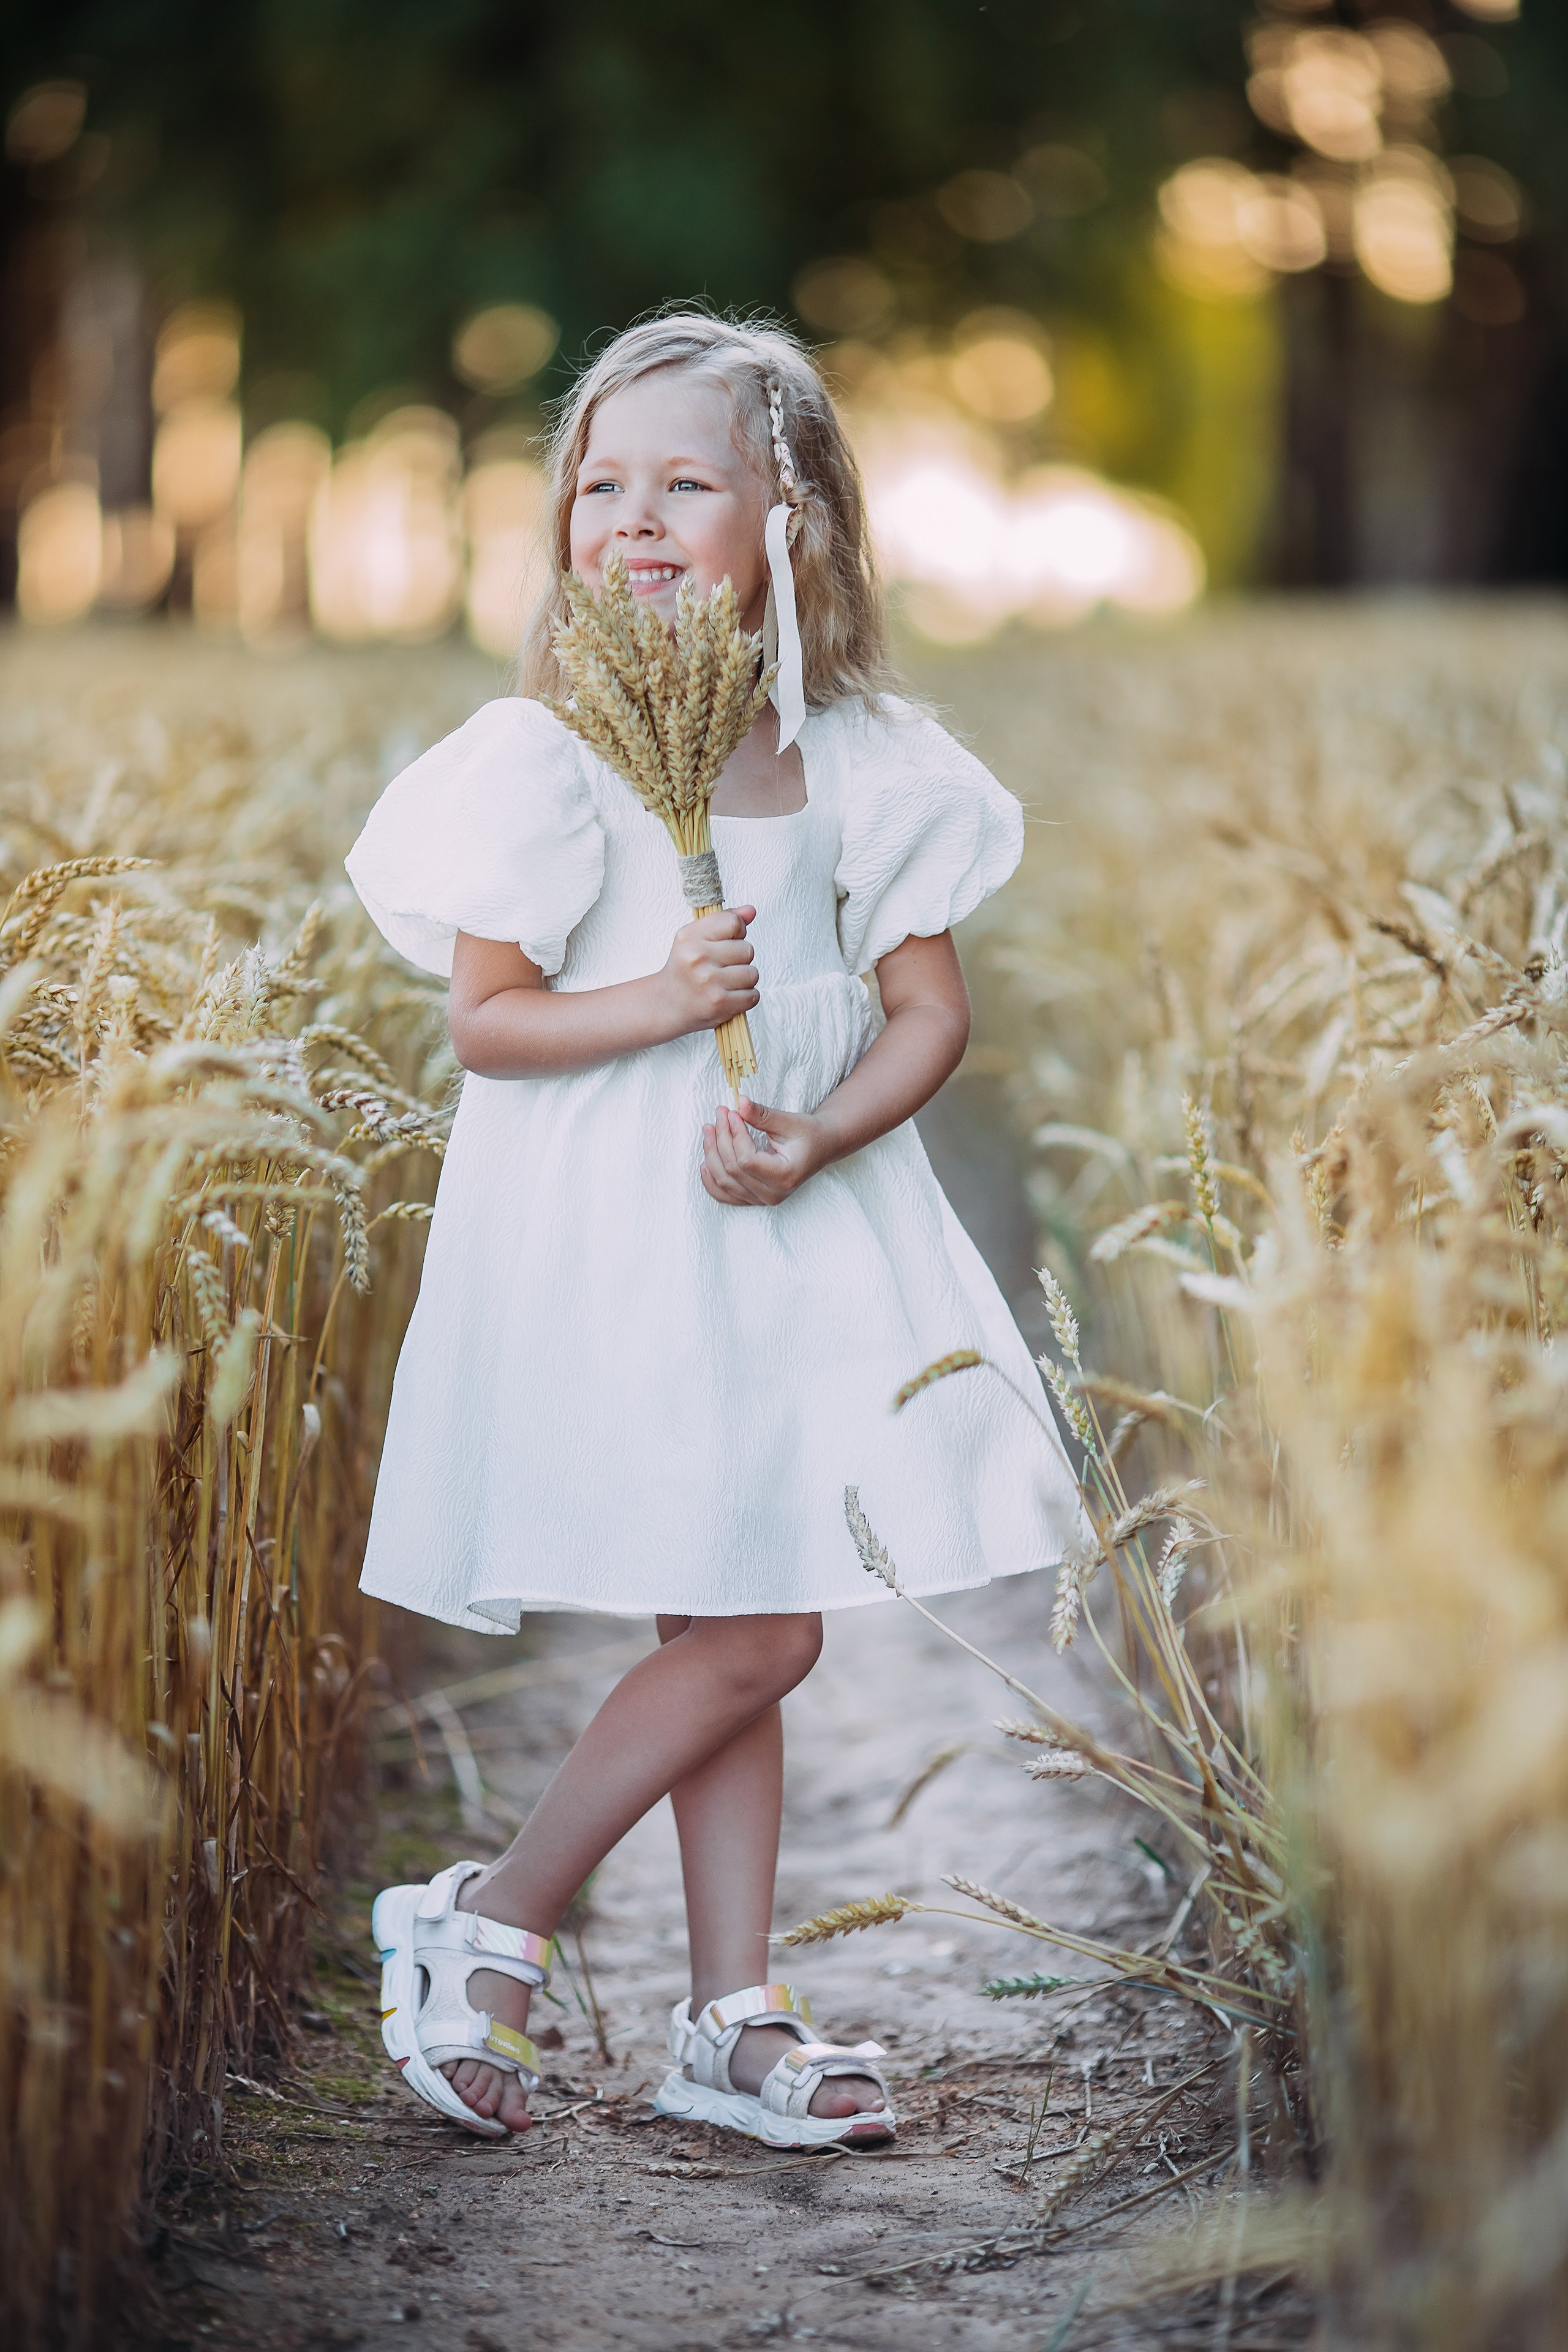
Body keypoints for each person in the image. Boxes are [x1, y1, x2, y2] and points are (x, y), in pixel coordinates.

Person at [347, 312, 1082, 2146]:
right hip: (612, 1236)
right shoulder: (541, 758)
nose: (639, 515)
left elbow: (929, 1016)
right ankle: (494, 1919)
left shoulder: (864, 761)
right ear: (563, 522)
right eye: (605, 483)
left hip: (788, 1226)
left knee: (742, 1611)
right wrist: (670, 1007)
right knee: (754, 1635)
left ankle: (725, 2013)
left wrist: (815, 1127)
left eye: (689, 480)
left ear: (794, 519)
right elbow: (491, 1024)